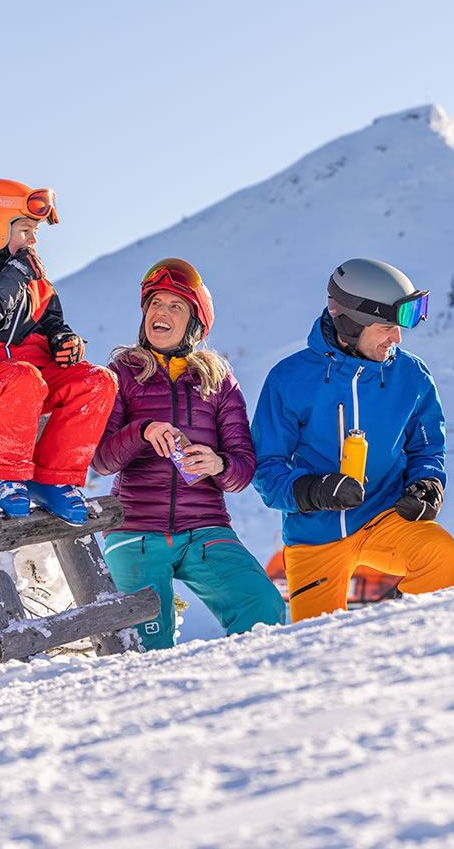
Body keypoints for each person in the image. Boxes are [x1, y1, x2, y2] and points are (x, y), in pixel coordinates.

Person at [251, 258, 454, 622]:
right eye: (385, 327)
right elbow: (265, 466)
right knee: (313, 643)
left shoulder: (411, 374)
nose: (396, 338)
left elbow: (427, 446)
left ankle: (395, 636)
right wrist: (312, 490)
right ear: (348, 323)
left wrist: (427, 483)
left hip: (384, 518)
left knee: (440, 556)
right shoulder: (289, 379)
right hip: (314, 533)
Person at [91, 258, 285, 649]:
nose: (161, 313)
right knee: (146, 645)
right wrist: (143, 432)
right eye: (155, 304)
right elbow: (102, 460)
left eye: (175, 306)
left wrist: (218, 463)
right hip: (136, 531)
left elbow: (242, 469)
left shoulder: (219, 382)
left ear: (194, 324)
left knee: (263, 607)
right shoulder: (123, 373)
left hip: (206, 530)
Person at [0, 179, 116, 524]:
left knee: (98, 381)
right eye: (26, 229)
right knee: (24, 379)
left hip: (32, 370)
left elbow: (51, 319)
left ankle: (54, 479)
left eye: (35, 231)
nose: (33, 240)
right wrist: (14, 275)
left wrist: (63, 339)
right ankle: (8, 475)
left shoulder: (32, 274)